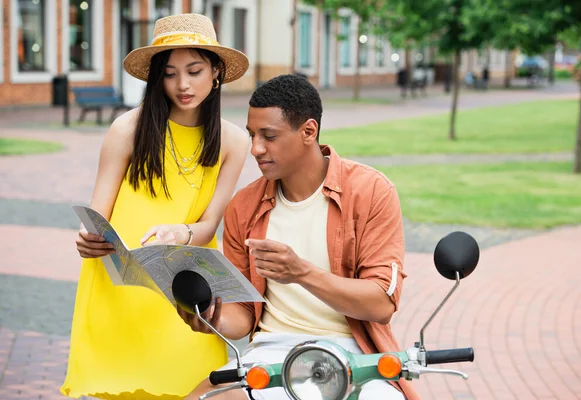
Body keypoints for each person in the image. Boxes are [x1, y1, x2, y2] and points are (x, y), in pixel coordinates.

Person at [178, 74, 420, 400]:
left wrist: (301, 272)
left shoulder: (371, 192)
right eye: (252, 136)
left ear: (308, 131)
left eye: (269, 136)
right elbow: (245, 316)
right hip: (270, 353)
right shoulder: (243, 207)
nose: (255, 149)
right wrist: (210, 316)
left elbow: (381, 304)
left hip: (353, 353)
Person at [61, 13, 250, 399]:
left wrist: (181, 232)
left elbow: (210, 224)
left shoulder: (233, 140)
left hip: (182, 284)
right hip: (120, 282)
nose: (182, 85)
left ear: (215, 72)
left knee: (192, 384)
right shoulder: (127, 129)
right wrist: (85, 238)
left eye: (194, 70)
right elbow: (97, 214)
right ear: (156, 77)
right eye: (170, 73)